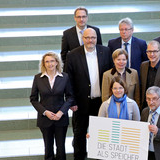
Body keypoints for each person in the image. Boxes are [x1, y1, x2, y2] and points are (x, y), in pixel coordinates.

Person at [66, 28, 113, 160]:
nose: (90, 40)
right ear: (83, 39)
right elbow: (68, 80)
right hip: (80, 104)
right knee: (79, 134)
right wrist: (72, 101)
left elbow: (111, 76)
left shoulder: (106, 51)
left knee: (100, 134)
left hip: (101, 102)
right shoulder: (73, 55)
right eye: (87, 37)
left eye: (93, 37)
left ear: (97, 38)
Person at [30, 52, 74, 160]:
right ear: (44, 64)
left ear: (57, 62)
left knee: (61, 147)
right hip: (45, 118)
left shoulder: (64, 77)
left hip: (61, 118)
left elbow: (70, 97)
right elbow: (33, 99)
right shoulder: (38, 78)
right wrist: (45, 112)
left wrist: (61, 112)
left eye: (52, 61)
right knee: (48, 148)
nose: (50, 64)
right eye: (47, 61)